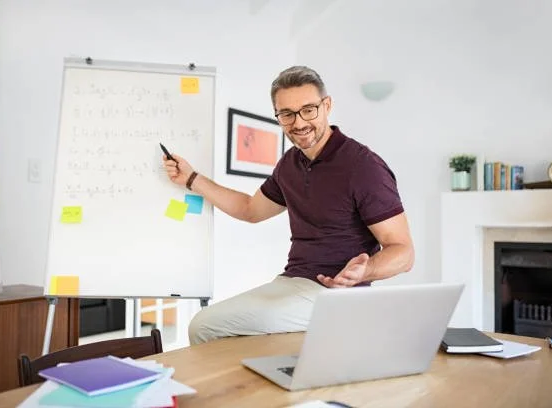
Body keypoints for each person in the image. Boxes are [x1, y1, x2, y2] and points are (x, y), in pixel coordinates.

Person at [163, 66, 414, 345]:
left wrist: (365, 271)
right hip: (293, 282)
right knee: (217, 329)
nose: (299, 123)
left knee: (203, 325)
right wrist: (192, 179)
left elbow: (404, 252)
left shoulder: (363, 166)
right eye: (287, 114)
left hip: (337, 295)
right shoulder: (290, 164)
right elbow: (250, 209)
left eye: (309, 109)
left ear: (327, 105)